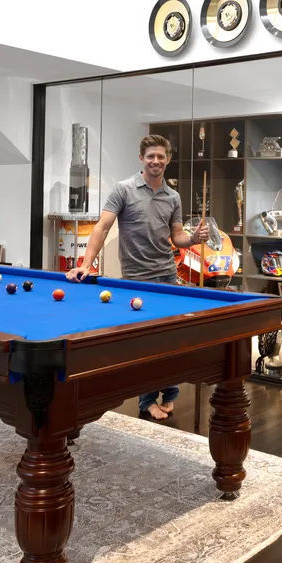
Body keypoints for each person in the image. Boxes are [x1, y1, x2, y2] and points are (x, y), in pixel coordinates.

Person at [67, 134, 208, 421]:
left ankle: (169, 392)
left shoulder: (173, 196)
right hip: (136, 280)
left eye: (161, 156)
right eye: (150, 156)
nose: (156, 161)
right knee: (147, 343)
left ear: (168, 160)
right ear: (142, 159)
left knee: (170, 339)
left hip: (167, 276)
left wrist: (193, 237)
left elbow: (177, 236)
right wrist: (86, 264)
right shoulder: (124, 189)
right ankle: (147, 400)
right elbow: (102, 228)